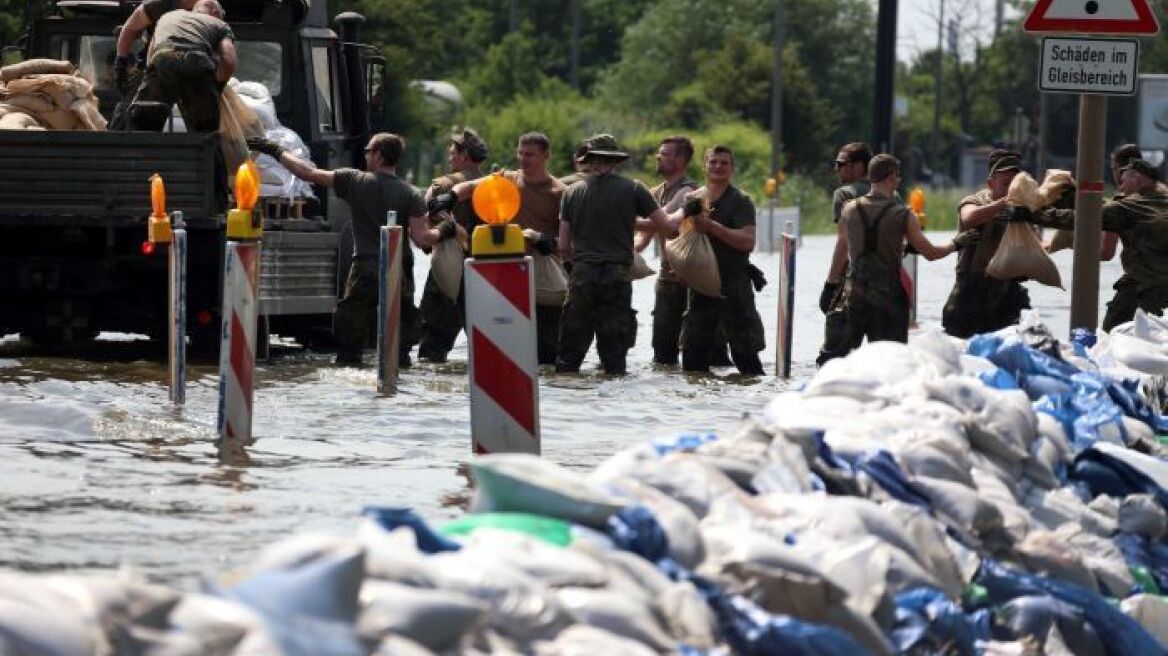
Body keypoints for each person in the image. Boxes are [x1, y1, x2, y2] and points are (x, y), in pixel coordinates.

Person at [247, 132, 453, 365]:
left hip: (364, 269)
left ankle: (352, 366)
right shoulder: (411, 194)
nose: (365, 155)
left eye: (368, 151)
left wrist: (275, 150)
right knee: (400, 348)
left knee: (349, 342)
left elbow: (307, 173)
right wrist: (445, 229)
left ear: (378, 155)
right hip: (399, 272)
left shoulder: (355, 181)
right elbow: (423, 239)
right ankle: (396, 385)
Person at [437, 132, 567, 364]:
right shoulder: (506, 178)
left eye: (530, 155)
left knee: (547, 353)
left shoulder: (560, 193)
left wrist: (551, 242)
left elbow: (571, 242)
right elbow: (469, 186)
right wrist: (451, 197)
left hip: (542, 275)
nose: (524, 159)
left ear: (546, 156)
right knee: (503, 344)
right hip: (506, 273)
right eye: (521, 153)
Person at [556, 134, 680, 375]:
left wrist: (578, 263)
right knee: (614, 355)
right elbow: (667, 228)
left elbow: (563, 245)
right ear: (615, 162)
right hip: (616, 276)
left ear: (589, 161)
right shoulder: (634, 189)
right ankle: (614, 406)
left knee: (570, 353)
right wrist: (687, 210)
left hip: (582, 275)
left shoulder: (571, 193)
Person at [1019, 158, 1168, 330]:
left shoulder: (1134, 205)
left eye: (1124, 180)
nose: (1121, 186)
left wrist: (1031, 214)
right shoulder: (1158, 200)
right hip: (1150, 284)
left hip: (1148, 286)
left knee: (1112, 333)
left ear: (1137, 179)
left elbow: (1085, 218)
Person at [837, 154, 963, 350]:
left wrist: (830, 286)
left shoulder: (849, 210)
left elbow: (846, 247)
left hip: (854, 298)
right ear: (890, 177)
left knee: (842, 361)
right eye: (897, 176)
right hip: (888, 302)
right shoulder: (904, 214)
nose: (898, 181)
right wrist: (956, 243)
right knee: (890, 362)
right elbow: (931, 253)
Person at [676, 145, 765, 375]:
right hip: (700, 286)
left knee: (747, 359)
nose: (718, 167)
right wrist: (682, 270)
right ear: (704, 166)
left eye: (724, 163)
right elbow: (684, 239)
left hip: (733, 285)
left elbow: (747, 242)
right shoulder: (693, 199)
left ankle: (744, 405)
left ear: (732, 168)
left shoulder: (741, 200)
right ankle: (700, 407)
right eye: (713, 162)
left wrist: (713, 227)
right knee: (693, 360)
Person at [941, 149, 1031, 338]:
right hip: (972, 292)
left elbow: (1036, 246)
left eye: (1015, 183)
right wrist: (1002, 204)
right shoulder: (975, 201)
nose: (1011, 188)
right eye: (1005, 183)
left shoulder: (1022, 209)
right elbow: (968, 218)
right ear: (991, 182)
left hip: (1006, 292)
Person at [416, 128, 488, 363]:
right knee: (488, 345)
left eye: (452, 154)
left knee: (432, 350)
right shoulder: (493, 186)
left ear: (464, 155)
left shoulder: (442, 186)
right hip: (486, 272)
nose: (449, 159)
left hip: (448, 269)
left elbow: (423, 221)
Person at [632, 136, 699, 366]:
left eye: (665, 154)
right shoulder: (654, 192)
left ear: (681, 159)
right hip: (666, 278)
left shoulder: (688, 192)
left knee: (698, 352)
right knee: (662, 352)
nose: (658, 157)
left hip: (691, 280)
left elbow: (663, 222)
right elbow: (642, 239)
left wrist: (621, 218)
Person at [123, 0, 234, 133]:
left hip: (163, 59)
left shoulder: (167, 17)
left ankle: (141, 149)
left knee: (144, 123)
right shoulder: (220, 24)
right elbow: (228, 60)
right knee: (205, 130)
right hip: (197, 63)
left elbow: (151, 55)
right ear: (215, 13)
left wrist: (153, 78)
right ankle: (202, 149)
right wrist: (218, 86)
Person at [817, 142, 873, 365]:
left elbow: (843, 241)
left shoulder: (844, 194)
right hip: (887, 287)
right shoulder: (893, 194)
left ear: (859, 166)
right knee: (884, 357)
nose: (837, 169)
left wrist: (830, 284)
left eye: (841, 164)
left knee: (832, 358)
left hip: (851, 285)